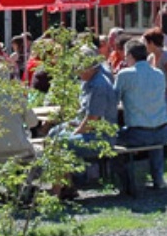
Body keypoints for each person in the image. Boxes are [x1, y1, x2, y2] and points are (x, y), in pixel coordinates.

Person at [48, 47, 119, 199]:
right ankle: (67, 186)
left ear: (89, 66)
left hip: (101, 137)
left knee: (61, 142)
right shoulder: (88, 81)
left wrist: (73, 133)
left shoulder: (98, 85)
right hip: (89, 130)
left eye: (78, 67)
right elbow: (84, 115)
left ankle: (56, 191)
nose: (76, 71)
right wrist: (71, 124)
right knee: (53, 133)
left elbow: (92, 121)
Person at [114, 39, 167, 190]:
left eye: (126, 56)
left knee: (110, 139)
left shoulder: (124, 75)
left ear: (131, 56)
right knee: (154, 133)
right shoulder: (159, 74)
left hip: (138, 134)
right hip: (164, 131)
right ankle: (158, 178)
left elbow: (114, 100)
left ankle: (125, 183)